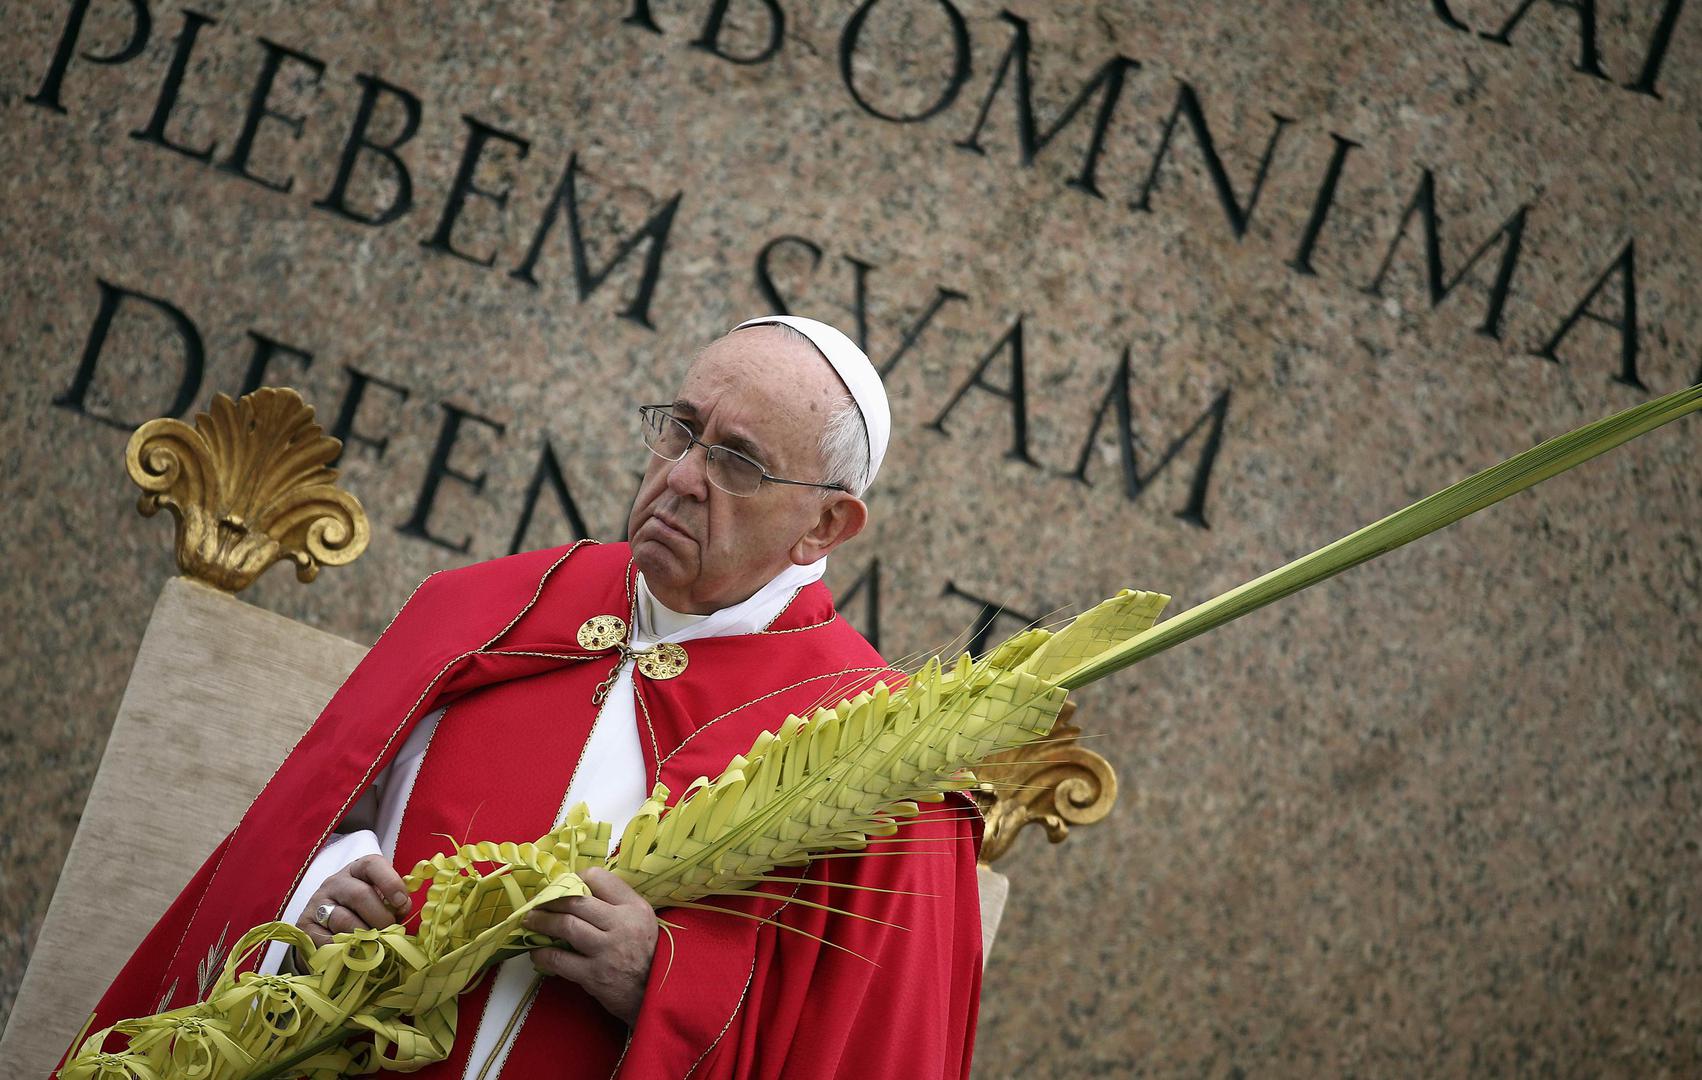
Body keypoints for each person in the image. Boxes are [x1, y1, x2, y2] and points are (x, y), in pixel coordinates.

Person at [69, 316, 986, 1080]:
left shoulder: (881, 752)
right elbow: (295, 838)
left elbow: (868, 1048)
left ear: (826, 524)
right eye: (680, 429)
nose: (680, 477)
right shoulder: (481, 609)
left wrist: (661, 984)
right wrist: (319, 894)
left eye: (737, 463)